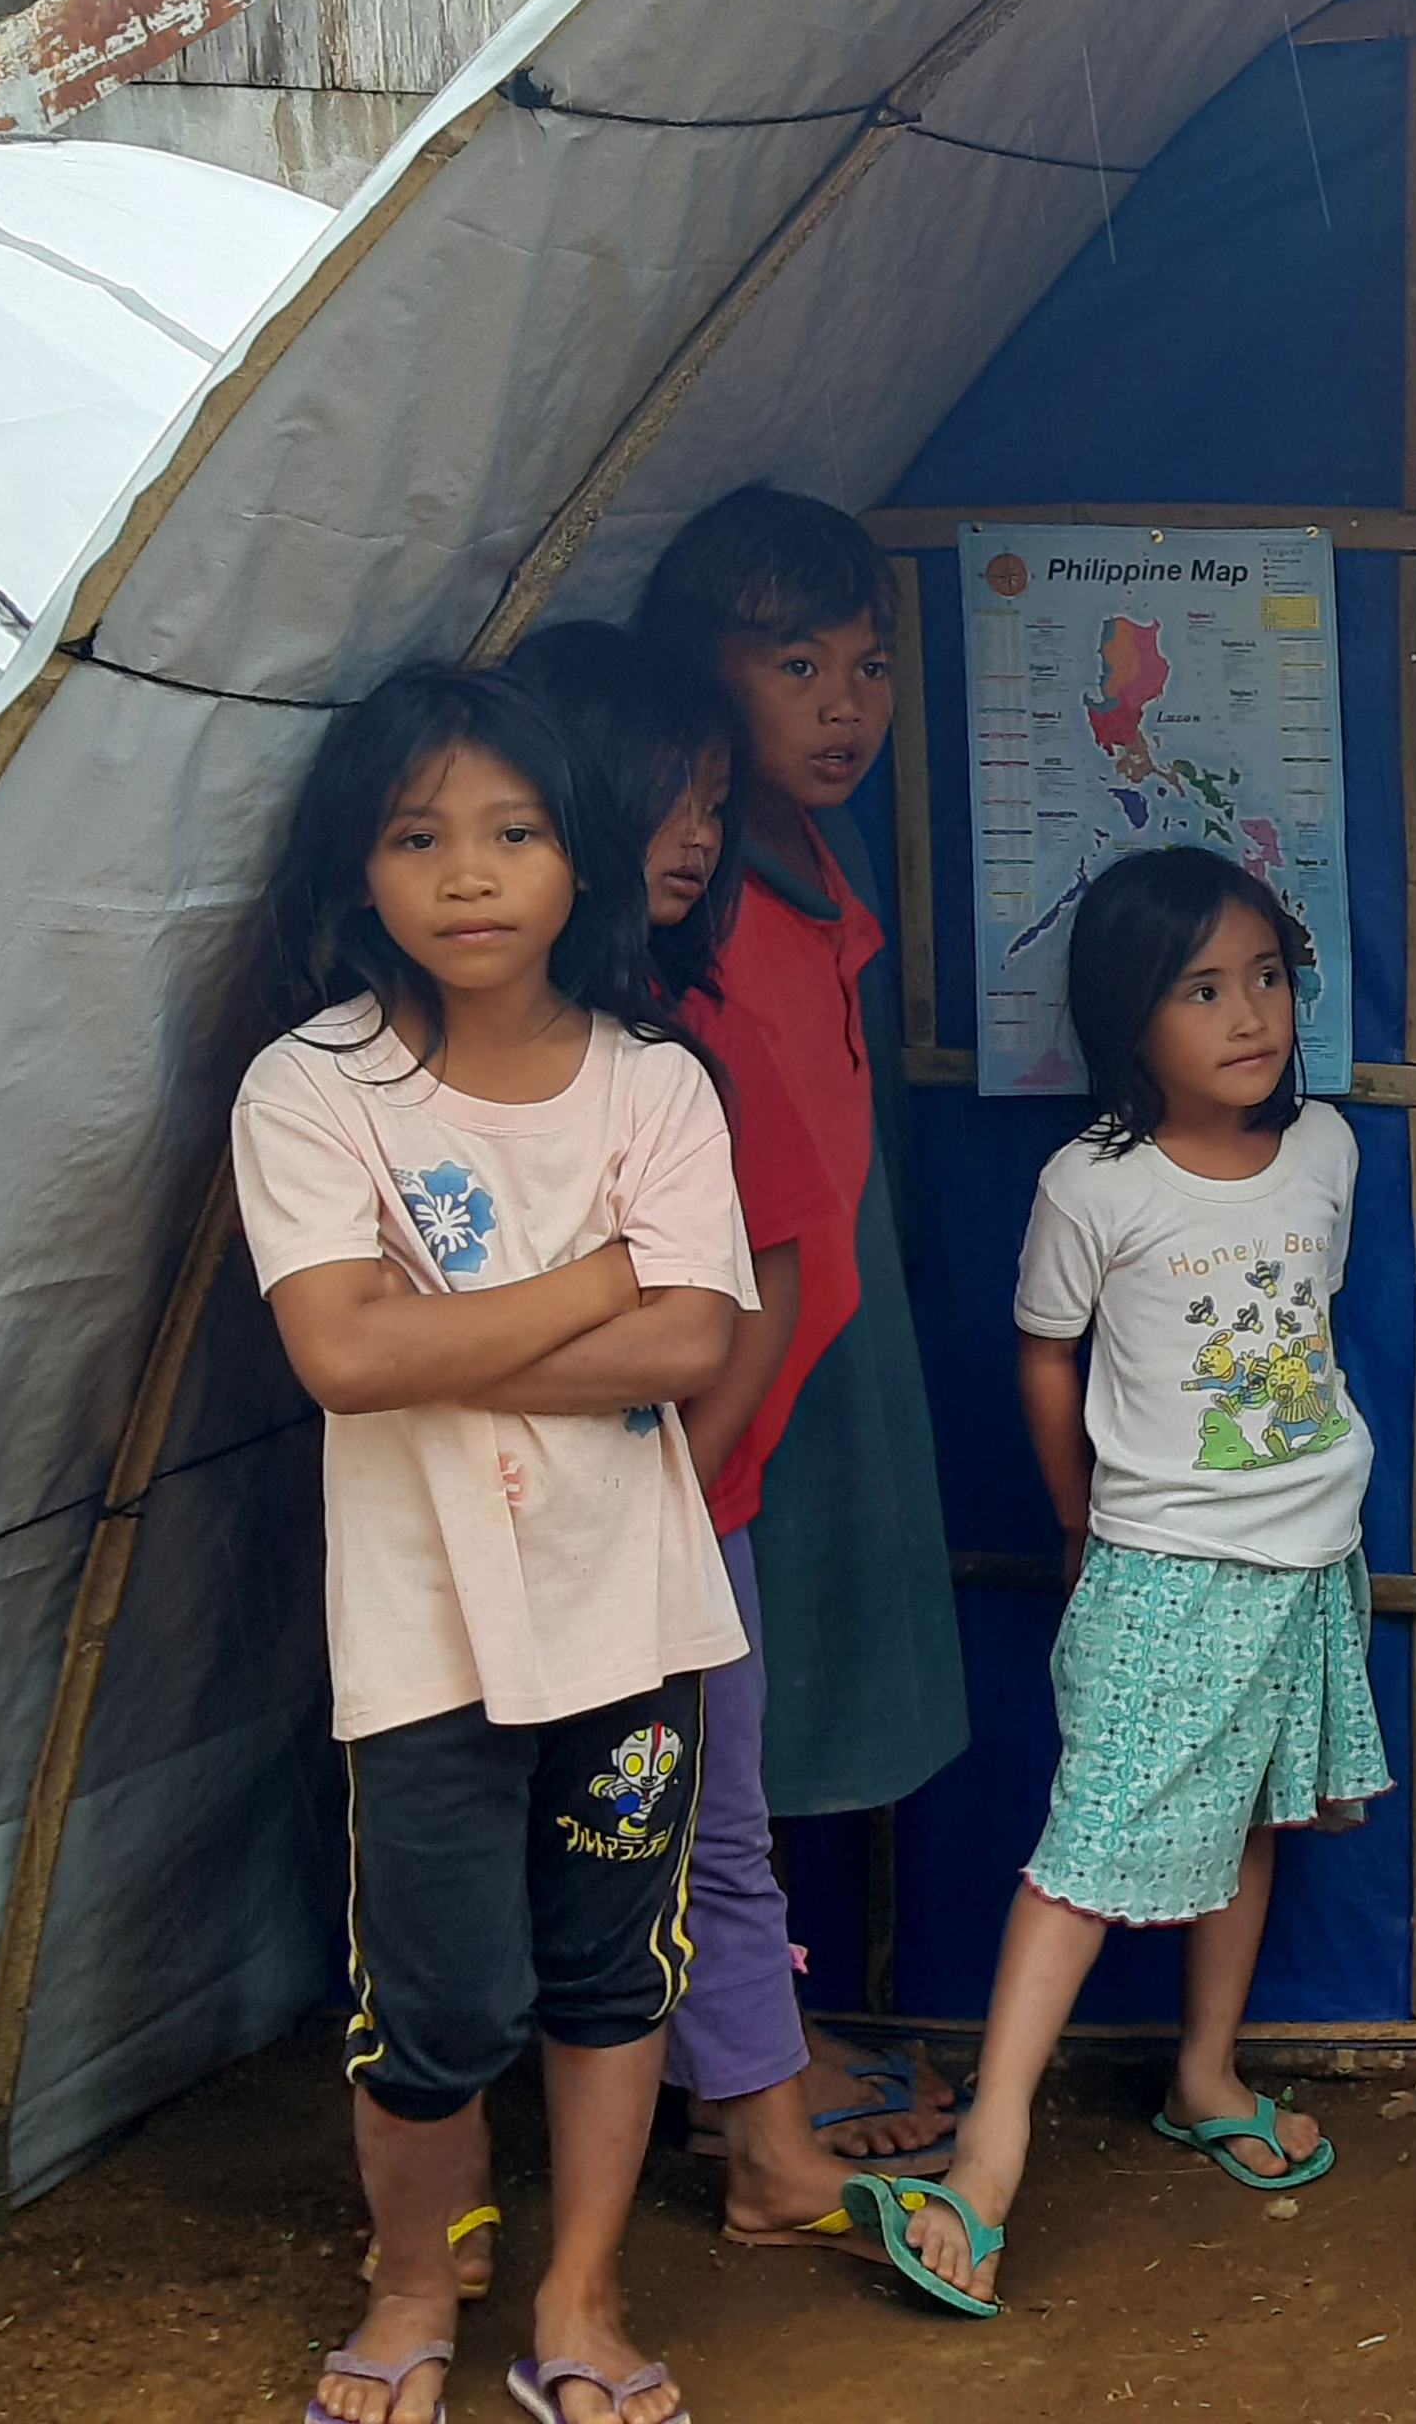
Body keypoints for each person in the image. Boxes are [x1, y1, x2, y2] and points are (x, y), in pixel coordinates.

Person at [231, 664, 753, 2424]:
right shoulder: (315, 1089)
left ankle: (581, 2301)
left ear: (579, 860)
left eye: (512, 832)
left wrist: (449, 1323)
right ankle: (407, 2284)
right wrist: (603, 1275)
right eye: (416, 834)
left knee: (616, 1975)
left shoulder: (655, 1085)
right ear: (353, 870)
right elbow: (340, 1356)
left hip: (633, 1618)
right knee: (437, 2001)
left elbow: (697, 1347)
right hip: (425, 1630)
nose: (467, 874)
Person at [846, 847, 1392, 2316]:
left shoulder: (1331, 1148)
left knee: (1257, 1809)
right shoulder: (1094, 1181)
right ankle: (987, 2162)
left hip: (1308, 1549)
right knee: (1085, 1853)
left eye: (1267, 977)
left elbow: (1310, 1332)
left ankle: (1205, 2075)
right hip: (1164, 1569)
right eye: (1201, 989)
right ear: (1125, 1019)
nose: (1248, 1015)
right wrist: (1080, 1519)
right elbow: (1046, 1351)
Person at [507, 621, 918, 2261]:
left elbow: (772, 1278)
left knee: (700, 1827)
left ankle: (759, 2141)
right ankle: (469, 2178)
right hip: (513, 1522)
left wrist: (676, 1488)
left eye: (708, 803)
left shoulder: (683, 1042)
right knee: (508, 1843)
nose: (698, 835)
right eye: (670, 802)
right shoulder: (471, 1054)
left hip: (674, 1510)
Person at [633, 489, 969, 2149]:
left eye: (870, 665)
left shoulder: (803, 867)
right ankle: (736, 2081)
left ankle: (764, 2039)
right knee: (723, 1757)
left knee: (774, 1735)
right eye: (797, 664)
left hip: (824, 1342)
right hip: (753, 1375)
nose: (848, 704)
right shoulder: (698, 912)